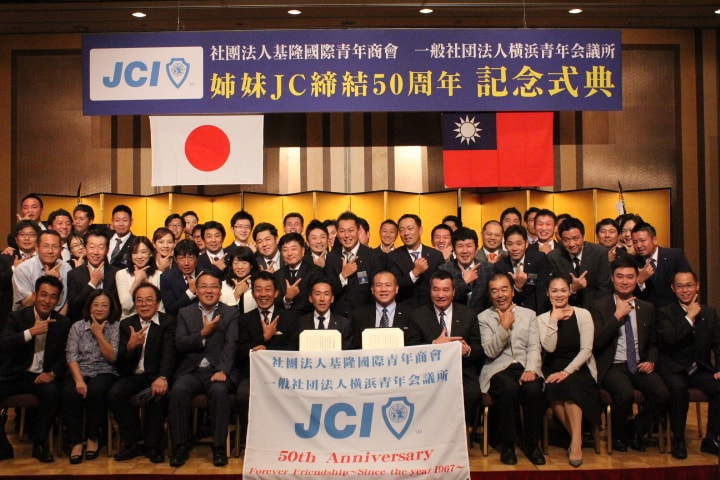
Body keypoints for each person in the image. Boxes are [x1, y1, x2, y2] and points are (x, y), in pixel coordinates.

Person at [590, 256, 669, 452]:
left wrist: (652, 361)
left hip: (638, 364)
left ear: (636, 279)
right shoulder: (599, 306)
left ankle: (636, 429)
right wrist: (617, 316)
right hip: (613, 365)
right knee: (624, 395)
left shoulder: (646, 308)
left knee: (662, 394)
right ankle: (618, 435)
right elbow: (597, 342)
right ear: (612, 278)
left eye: (630, 277)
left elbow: (653, 343)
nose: (625, 281)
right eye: (620, 276)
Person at [168, 270, 239, 468]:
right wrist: (202, 333)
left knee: (219, 391)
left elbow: (231, 345)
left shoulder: (230, 313)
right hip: (191, 371)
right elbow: (180, 343)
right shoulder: (185, 312)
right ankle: (180, 446)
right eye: (204, 287)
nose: (209, 291)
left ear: (220, 290)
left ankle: (219, 447)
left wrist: (223, 370)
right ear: (196, 290)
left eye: (214, 287)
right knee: (178, 391)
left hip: (217, 370)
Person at [0, 276, 70, 463]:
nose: (47, 301)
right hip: (17, 374)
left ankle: (40, 444)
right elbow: (4, 344)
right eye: (43, 295)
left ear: (58, 300)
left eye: (53, 297)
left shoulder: (62, 323)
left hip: (43, 376)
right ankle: (2, 444)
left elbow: (66, 355)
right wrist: (30, 332)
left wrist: (52, 373)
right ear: (35, 295)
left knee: (52, 393)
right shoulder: (17, 317)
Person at [478, 273, 545, 466]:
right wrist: (503, 327)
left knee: (533, 390)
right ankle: (508, 445)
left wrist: (531, 369)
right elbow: (490, 351)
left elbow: (534, 347)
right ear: (490, 295)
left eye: (504, 289)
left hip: (524, 366)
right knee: (508, 388)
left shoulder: (529, 315)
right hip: (497, 369)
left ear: (512, 291)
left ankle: (532, 445)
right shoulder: (483, 318)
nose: (500, 295)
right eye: (494, 291)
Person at [108, 283, 175, 463]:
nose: (144, 304)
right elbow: (120, 362)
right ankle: (134, 442)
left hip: (156, 375)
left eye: (149, 300)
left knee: (158, 396)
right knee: (115, 394)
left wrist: (163, 377)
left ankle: (153, 446)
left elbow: (169, 353)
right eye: (139, 300)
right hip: (132, 375)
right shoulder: (126, 324)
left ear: (157, 303)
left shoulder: (168, 322)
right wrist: (130, 347)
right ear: (135, 303)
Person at [407, 270, 482, 429]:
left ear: (454, 292)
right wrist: (434, 346)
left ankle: (462, 433)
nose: (440, 295)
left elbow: (478, 349)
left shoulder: (468, 314)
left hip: (461, 371)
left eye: (445, 290)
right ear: (430, 291)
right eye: (436, 290)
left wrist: (468, 350)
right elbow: (411, 349)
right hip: (428, 374)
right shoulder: (418, 315)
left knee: (472, 393)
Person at [538, 276, 600, 468]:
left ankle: (575, 444)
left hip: (580, 366)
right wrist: (553, 321)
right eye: (554, 291)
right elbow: (548, 347)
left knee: (572, 387)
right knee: (553, 388)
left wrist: (567, 371)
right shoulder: (542, 319)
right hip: (553, 366)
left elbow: (587, 350)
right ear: (548, 293)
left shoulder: (583, 314)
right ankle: (577, 437)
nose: (559, 294)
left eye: (563, 290)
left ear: (570, 292)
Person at [657, 270, 720, 459]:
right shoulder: (665, 313)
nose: (685, 290)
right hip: (674, 369)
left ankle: (711, 438)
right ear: (673, 289)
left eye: (689, 285)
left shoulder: (709, 313)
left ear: (697, 286)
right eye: (680, 286)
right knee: (678, 390)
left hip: (699, 369)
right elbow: (670, 339)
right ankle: (678, 439)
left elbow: (718, 344)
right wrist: (689, 317)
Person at [236, 272, 299, 441]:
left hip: (283, 376)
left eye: (268, 289)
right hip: (253, 375)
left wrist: (267, 350)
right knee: (243, 395)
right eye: (258, 290)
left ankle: (286, 439)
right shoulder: (244, 320)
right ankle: (250, 440)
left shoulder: (290, 317)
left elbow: (294, 349)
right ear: (252, 294)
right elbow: (240, 351)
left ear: (276, 293)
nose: (263, 294)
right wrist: (263, 338)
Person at [63, 289, 120, 464]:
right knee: (70, 393)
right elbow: (71, 356)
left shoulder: (116, 326)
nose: (99, 309)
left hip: (105, 370)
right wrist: (79, 381)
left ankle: (93, 437)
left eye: (104, 305)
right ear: (89, 307)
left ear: (110, 308)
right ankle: (75, 442)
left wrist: (98, 334)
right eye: (96, 305)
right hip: (79, 371)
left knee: (96, 391)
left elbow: (112, 357)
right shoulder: (77, 327)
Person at [325, 212, 387, 316]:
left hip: (365, 317)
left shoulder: (373, 257)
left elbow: (377, 291)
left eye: (351, 230)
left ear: (358, 231)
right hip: (337, 318)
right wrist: (343, 276)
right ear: (337, 233)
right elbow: (327, 291)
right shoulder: (331, 257)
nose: (347, 235)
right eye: (342, 231)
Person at [547, 217, 612, 309]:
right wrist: (572, 288)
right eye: (566, 240)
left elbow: (604, 288)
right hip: (566, 308)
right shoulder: (554, 257)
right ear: (561, 240)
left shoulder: (599, 253)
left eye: (575, 238)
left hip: (595, 307)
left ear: (583, 237)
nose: (572, 244)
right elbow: (553, 290)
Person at [388, 214, 444, 308]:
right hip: (404, 310)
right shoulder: (393, 257)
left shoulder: (436, 255)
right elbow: (393, 285)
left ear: (420, 230)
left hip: (431, 309)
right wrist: (414, 273)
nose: (406, 233)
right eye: (402, 230)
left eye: (410, 228)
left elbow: (442, 283)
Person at [631, 222, 692, 309]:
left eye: (643, 241)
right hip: (647, 312)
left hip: (673, 311)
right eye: (635, 242)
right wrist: (640, 281)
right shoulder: (632, 262)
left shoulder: (674, 256)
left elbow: (688, 282)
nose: (638, 245)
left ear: (654, 240)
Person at [494, 225, 550, 315]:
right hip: (512, 314)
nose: (514, 248)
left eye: (519, 244)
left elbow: (542, 292)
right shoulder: (500, 266)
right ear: (505, 246)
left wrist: (539, 317)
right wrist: (517, 288)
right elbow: (502, 298)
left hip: (535, 313)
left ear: (526, 244)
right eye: (510, 244)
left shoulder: (538, 259)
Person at [13, 230, 71, 315]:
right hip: (27, 317)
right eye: (45, 246)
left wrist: (59, 320)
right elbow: (26, 303)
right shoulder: (23, 269)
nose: (50, 251)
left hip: (58, 318)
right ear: (37, 248)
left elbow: (66, 302)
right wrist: (47, 280)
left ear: (61, 249)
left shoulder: (66, 268)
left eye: (55, 246)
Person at [438, 227, 494, 315]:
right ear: (454, 249)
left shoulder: (488, 268)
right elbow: (443, 298)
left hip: (481, 319)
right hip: (455, 318)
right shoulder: (444, 270)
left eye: (469, 246)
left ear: (476, 248)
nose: (464, 251)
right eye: (460, 246)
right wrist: (464, 282)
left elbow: (491, 299)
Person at [349, 271, 412, 349]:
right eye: (378, 285)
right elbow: (356, 347)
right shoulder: (359, 316)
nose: (383, 289)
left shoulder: (410, 315)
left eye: (388, 285)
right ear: (372, 290)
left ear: (396, 289)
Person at [66, 230, 119, 322]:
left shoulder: (116, 273)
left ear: (107, 250)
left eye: (101, 247)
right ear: (85, 249)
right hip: (83, 325)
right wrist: (92, 284)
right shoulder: (74, 274)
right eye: (92, 247)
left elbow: (118, 306)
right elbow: (73, 307)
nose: (96, 252)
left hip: (110, 325)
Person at [275, 232, 324, 315]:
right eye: (285, 250)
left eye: (293, 249)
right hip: (284, 320)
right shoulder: (277, 275)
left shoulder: (315, 271)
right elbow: (275, 302)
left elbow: (315, 300)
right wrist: (287, 299)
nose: (289, 253)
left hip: (308, 319)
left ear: (303, 251)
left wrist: (292, 313)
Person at [115, 236, 163, 319]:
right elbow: (126, 306)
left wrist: (146, 282)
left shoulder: (159, 275)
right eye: (135, 253)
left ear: (151, 253)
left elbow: (160, 307)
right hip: (129, 321)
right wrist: (137, 281)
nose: (139, 256)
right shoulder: (121, 274)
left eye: (143, 252)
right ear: (130, 255)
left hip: (155, 321)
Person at [298, 280, 352, 350]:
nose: (322, 299)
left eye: (326, 294)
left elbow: (347, 352)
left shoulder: (344, 324)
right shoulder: (301, 322)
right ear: (310, 298)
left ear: (332, 298)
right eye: (317, 294)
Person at [160, 240, 200, 316]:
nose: (186, 263)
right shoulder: (166, 278)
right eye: (181, 258)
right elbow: (171, 308)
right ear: (175, 259)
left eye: (191, 258)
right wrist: (190, 292)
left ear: (197, 259)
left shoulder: (205, 275)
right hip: (177, 320)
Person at [219, 246, 259, 314]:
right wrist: (237, 294)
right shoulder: (223, 286)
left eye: (244, 263)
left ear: (251, 265)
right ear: (231, 265)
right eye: (236, 263)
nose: (240, 267)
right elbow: (222, 313)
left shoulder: (258, 285)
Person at [107, 205, 135, 270]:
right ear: (112, 221)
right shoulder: (105, 237)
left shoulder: (135, 242)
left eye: (125, 220)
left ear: (131, 222)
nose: (121, 224)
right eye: (117, 220)